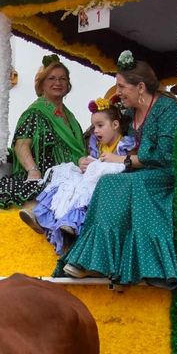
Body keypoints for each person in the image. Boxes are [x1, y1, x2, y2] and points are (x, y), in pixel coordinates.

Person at [61, 53, 177, 287]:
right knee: (106, 182)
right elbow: (106, 129)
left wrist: (125, 161)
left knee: (127, 182)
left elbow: (165, 154)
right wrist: (93, 160)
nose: (119, 92)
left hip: (164, 173)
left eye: (122, 87)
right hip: (140, 170)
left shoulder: (167, 107)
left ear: (141, 87)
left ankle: (152, 267)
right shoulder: (130, 112)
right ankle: (95, 262)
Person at [0, 55, 85, 210]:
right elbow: (21, 145)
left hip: (71, 177)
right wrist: (33, 171)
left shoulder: (71, 117)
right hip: (43, 176)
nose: (58, 83)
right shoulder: (34, 113)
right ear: (41, 85)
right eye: (51, 78)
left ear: (68, 84)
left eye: (62, 79)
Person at [29, 101, 131, 248]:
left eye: (100, 126)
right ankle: (42, 215)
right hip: (94, 179)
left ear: (115, 125)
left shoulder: (124, 144)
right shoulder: (97, 144)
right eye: (94, 126)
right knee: (67, 179)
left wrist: (107, 164)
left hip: (110, 185)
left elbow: (126, 166)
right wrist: (85, 163)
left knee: (83, 190)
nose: (95, 131)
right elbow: (93, 162)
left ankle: (69, 223)